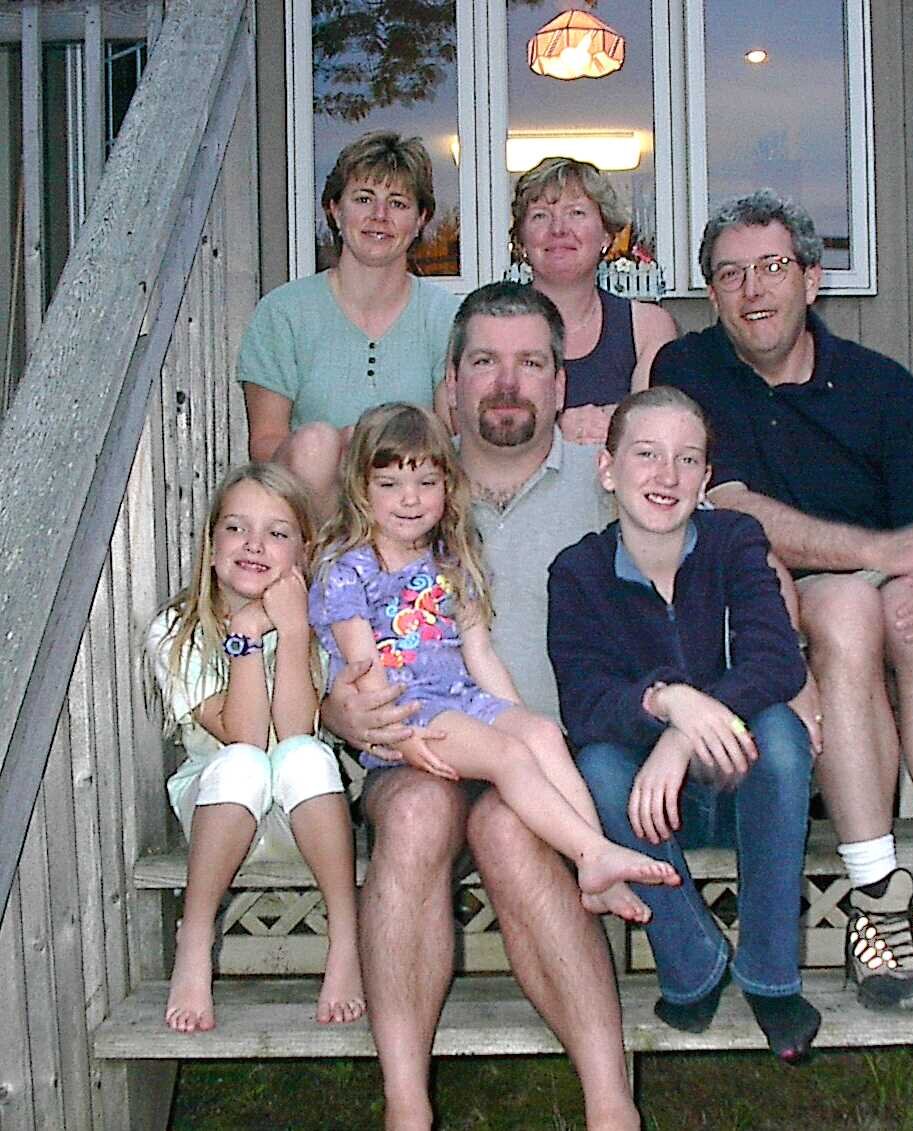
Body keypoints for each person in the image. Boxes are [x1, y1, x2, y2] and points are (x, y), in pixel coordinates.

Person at [653, 189, 913, 1010]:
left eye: (771, 266)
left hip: (876, 583)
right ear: (712, 293)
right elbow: (732, 508)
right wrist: (882, 552)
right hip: (755, 592)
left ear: (811, 279)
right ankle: (879, 895)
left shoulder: (878, 383)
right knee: (849, 608)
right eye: (731, 274)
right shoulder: (689, 372)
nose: (753, 289)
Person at [317, 283, 645, 1131]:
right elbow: (321, 628)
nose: (507, 381)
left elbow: (717, 546)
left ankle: (611, 1107)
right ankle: (406, 1105)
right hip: (413, 749)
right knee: (418, 812)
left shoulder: (608, 478)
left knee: (507, 825)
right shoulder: (403, 479)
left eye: (531, 362)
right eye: (485, 361)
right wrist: (337, 708)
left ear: (561, 384)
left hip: (544, 753)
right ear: (451, 384)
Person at [308, 401, 679, 922]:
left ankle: (596, 867)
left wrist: (516, 715)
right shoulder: (348, 570)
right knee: (509, 757)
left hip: (461, 700)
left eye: (426, 483)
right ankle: (591, 856)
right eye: (389, 484)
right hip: (406, 712)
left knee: (541, 735)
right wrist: (401, 736)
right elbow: (363, 668)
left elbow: (479, 654)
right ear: (360, 489)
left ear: (447, 485)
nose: (410, 499)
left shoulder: (449, 559)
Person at [547, 387, 821, 1063]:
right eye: (646, 454)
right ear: (607, 469)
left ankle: (770, 975)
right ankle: (691, 961)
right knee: (597, 763)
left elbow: (776, 660)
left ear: (705, 480)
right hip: (648, 809)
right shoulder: (578, 572)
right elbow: (585, 702)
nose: (666, 475)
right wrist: (666, 703)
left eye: (687, 458)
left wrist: (685, 728)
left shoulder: (734, 540)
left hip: (746, 790)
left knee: (782, 734)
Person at [145, 463, 364, 1034]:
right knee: (243, 762)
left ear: (303, 552)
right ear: (211, 543)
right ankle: (196, 938)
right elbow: (241, 735)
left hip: (302, 819)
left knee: (305, 755)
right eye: (237, 528)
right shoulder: (178, 630)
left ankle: (346, 938)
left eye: (277, 532)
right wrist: (243, 637)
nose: (254, 545)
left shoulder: (319, 627)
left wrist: (291, 633)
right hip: (220, 817)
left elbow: (295, 730)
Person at [238, 131, 460, 519]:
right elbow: (265, 444)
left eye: (398, 203)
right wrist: (337, 449)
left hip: (411, 509)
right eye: (363, 199)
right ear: (335, 210)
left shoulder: (447, 316)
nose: (379, 216)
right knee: (316, 441)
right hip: (312, 515)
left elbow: (450, 436)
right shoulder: (282, 312)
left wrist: (379, 450)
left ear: (421, 219)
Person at [509, 156, 677, 444]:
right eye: (540, 216)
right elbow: (473, 432)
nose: (559, 229)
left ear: (606, 236)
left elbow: (655, 437)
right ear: (522, 241)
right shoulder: (488, 325)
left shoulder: (648, 327)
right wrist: (557, 430)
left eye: (576, 213)